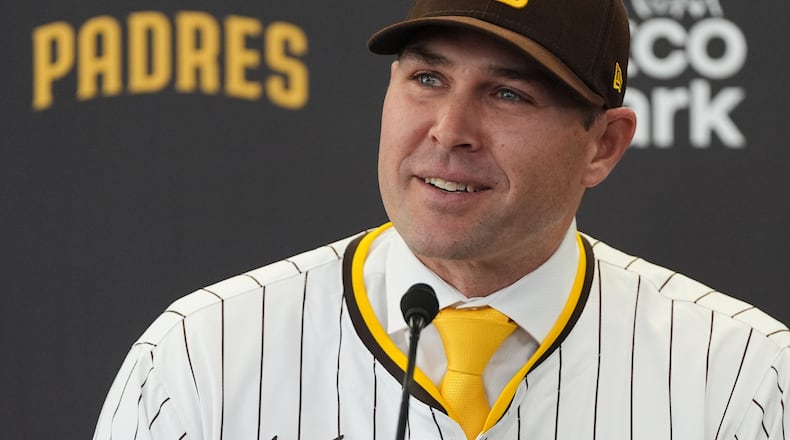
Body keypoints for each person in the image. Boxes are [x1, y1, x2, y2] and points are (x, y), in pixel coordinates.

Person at [93, 0, 790, 438]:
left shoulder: (742, 375)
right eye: (427, 79)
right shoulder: (199, 355)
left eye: (509, 94)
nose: (450, 129)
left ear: (602, 144)